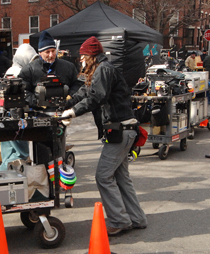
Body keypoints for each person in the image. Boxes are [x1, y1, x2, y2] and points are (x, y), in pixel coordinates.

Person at [61, 36, 147, 235]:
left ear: (91, 56)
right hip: (124, 129)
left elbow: (96, 97)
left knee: (103, 176)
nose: (81, 60)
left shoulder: (104, 70)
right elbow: (85, 90)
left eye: (82, 56)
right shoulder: (101, 70)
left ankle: (119, 221)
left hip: (120, 130)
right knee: (121, 177)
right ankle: (137, 218)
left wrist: (73, 112)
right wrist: (68, 104)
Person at [0, 44, 39, 171]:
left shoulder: (10, 70)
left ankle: (2, 178)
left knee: (9, 152)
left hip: (8, 115)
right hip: (17, 116)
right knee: (19, 153)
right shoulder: (19, 73)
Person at [19, 31, 82, 108]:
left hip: (63, 111)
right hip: (37, 112)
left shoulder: (69, 67)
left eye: (53, 51)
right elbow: (23, 90)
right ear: (40, 53)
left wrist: (70, 97)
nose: (51, 55)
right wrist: (38, 102)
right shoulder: (29, 70)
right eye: (47, 52)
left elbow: (77, 84)